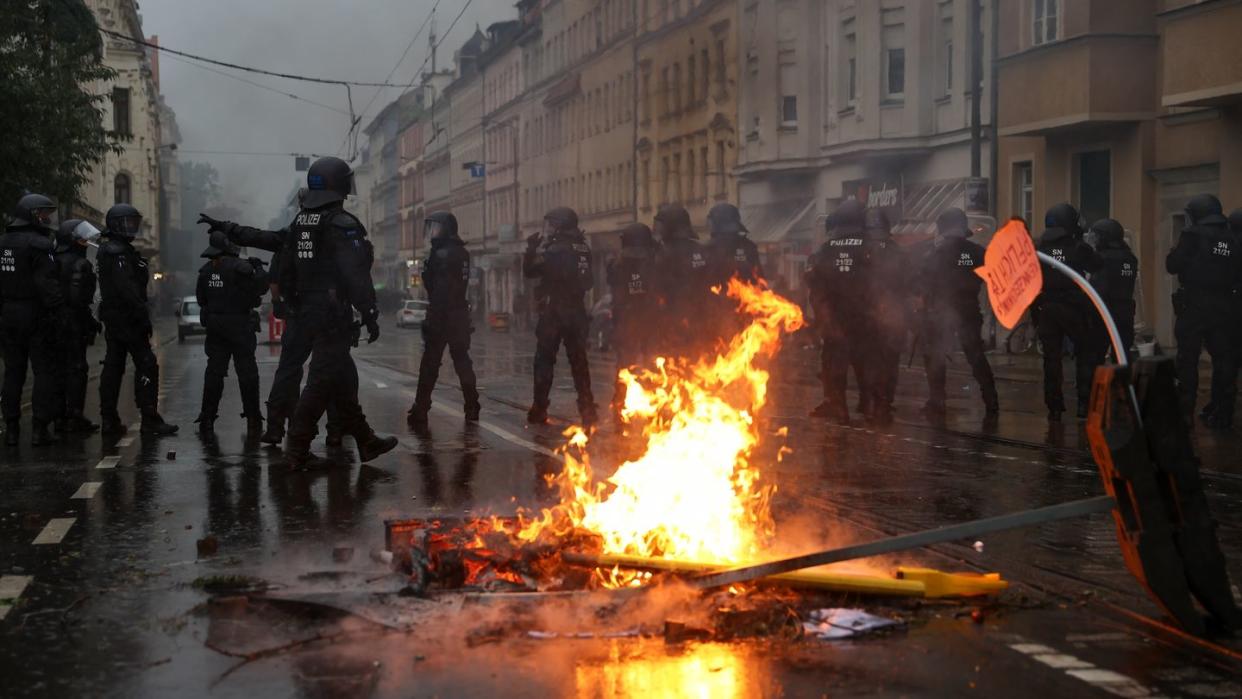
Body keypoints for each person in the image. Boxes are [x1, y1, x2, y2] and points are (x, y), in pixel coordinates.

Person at [198, 198, 351, 447]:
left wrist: (226, 226)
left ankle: (271, 426)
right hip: (318, 317)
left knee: (282, 372)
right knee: (329, 373)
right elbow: (259, 288)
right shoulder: (330, 235)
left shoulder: (207, 270)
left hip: (281, 316)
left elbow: (260, 245)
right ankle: (320, 429)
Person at [277, 156, 397, 467]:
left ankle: (366, 441)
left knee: (343, 382)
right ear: (339, 184)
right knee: (319, 384)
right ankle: (297, 450)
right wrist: (369, 311)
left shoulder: (302, 221)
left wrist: (293, 304)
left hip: (310, 312)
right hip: (333, 316)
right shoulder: (341, 223)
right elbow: (354, 274)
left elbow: (285, 269)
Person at [96, 204, 178, 436]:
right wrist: (141, 314)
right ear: (116, 224)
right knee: (146, 364)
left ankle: (109, 419)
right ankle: (149, 419)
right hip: (127, 318)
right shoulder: (118, 252)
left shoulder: (114, 250)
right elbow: (127, 289)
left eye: (134, 222)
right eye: (128, 223)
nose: (132, 227)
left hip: (115, 318)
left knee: (113, 366)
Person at [1166, 194, 1240, 430]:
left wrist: (1173, 251)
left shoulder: (1192, 235)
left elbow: (1173, 265)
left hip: (1195, 306)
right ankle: (1223, 413)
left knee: (1187, 361)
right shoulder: (1230, 238)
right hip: (1224, 307)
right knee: (1223, 361)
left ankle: (1185, 414)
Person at [917, 208, 998, 421]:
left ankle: (937, 401)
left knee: (935, 356)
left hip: (940, 312)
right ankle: (991, 401)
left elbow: (922, 284)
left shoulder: (934, 253)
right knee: (976, 355)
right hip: (969, 310)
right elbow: (993, 276)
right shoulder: (977, 252)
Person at [0, 193, 66, 446]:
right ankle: (39, 428)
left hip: (8, 315)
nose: (47, 218)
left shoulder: (3, 243)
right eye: (42, 214)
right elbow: (46, 284)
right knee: (43, 371)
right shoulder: (40, 244)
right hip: (36, 315)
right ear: (30, 215)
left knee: (13, 372)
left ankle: (12, 429)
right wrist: (59, 312)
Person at [524, 206, 596, 425]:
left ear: (561, 225)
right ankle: (587, 409)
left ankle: (539, 408)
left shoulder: (555, 250)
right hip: (577, 311)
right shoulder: (584, 247)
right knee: (579, 362)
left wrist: (531, 249)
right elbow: (589, 281)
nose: (549, 229)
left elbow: (531, 272)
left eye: (552, 224)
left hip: (555, 311)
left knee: (544, 361)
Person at [407, 211, 479, 427]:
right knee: (462, 362)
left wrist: (432, 319)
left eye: (435, 228)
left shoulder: (441, 254)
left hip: (442, 315)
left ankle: (421, 408)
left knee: (429, 364)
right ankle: (472, 405)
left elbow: (435, 288)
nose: (432, 232)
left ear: (446, 229)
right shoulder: (462, 252)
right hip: (459, 314)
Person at [194, 230, 269, 434]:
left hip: (215, 326)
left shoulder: (206, 271)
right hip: (240, 325)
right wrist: (258, 269)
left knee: (214, 372)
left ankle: (207, 417)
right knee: (247, 372)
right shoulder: (241, 268)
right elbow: (259, 291)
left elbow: (201, 300)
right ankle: (253, 417)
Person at [1034, 203, 1102, 422]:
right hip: (1074, 308)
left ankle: (1054, 406)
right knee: (1085, 354)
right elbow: (1097, 266)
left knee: (1051, 358)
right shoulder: (1078, 247)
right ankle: (1083, 403)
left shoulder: (1039, 248)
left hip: (1046, 308)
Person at [805, 199, 869, 424]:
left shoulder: (827, 250)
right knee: (866, 362)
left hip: (836, 319)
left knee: (834, 362)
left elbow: (815, 283)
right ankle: (872, 405)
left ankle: (837, 404)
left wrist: (821, 317)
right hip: (867, 319)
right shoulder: (871, 247)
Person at [53, 219, 103, 434]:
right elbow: (77, 298)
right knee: (77, 369)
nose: (86, 243)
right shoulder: (80, 264)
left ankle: (58, 417)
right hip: (73, 323)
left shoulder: (52, 260)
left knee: (56, 370)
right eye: (82, 239)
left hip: (53, 322)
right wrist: (90, 321)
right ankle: (74, 415)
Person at [607, 223, 661, 418]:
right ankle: (655, 408)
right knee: (652, 365)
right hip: (650, 320)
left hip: (626, 322)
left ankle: (619, 410)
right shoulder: (655, 261)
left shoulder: (617, 264)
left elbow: (613, 283)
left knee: (624, 366)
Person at [861, 207, 908, 426]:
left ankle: (871, 400)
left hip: (869, 315)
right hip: (895, 315)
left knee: (870, 360)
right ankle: (886, 399)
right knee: (891, 361)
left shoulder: (862, 250)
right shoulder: (898, 251)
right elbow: (910, 283)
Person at [653, 204, 709, 359]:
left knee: (675, 363)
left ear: (670, 226)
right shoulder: (701, 250)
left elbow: (657, 288)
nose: (658, 229)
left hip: (673, 320)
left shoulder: (663, 253)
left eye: (661, 225)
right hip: (702, 319)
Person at [703, 203, 763, 342]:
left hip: (716, 314)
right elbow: (760, 280)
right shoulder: (749, 247)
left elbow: (700, 284)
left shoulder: (708, 249)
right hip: (745, 311)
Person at [1087, 218, 1139, 362]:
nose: (1095, 240)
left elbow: (1100, 289)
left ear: (1105, 237)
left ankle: (1096, 384)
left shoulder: (1102, 259)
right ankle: (1121, 384)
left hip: (1104, 314)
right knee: (1122, 357)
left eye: (1097, 236)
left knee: (1095, 357)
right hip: (1125, 314)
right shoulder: (1130, 258)